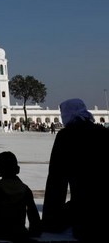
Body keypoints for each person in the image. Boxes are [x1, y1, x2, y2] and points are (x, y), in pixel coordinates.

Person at [42, 98, 109, 242]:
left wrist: (50, 219)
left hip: (83, 211)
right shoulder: (102, 133)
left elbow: (56, 180)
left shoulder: (65, 136)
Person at [0, 151, 41, 243]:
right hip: (19, 232)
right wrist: (35, 231)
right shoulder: (25, 189)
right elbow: (33, 215)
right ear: (17, 169)